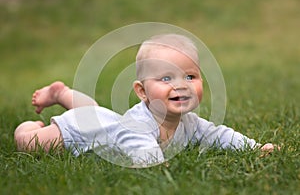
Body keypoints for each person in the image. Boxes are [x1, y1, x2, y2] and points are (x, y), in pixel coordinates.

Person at [14, 34, 277, 167]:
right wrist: (154, 163)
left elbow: (219, 134)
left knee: (94, 113)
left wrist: (254, 147)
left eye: (190, 76)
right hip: (76, 133)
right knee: (29, 143)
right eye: (165, 79)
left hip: (102, 123)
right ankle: (31, 125)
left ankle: (62, 94)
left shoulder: (190, 123)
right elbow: (143, 155)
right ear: (142, 92)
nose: (180, 85)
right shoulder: (138, 125)